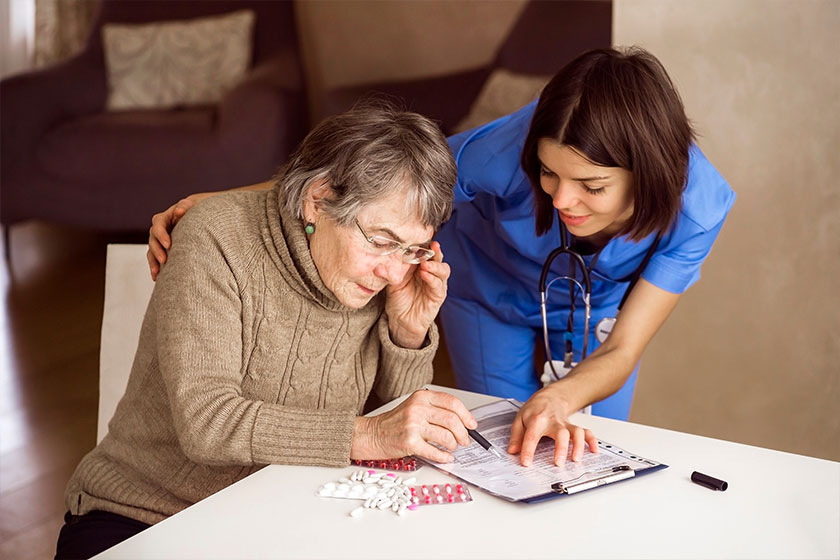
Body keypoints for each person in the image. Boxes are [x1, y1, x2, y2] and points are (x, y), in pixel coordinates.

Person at [147, 47, 734, 469]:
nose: (561, 199)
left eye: (591, 186)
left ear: (648, 173)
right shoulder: (499, 154)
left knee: (592, 449)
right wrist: (224, 204)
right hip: (489, 292)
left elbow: (622, 349)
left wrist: (559, 396)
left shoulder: (699, 207)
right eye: (549, 174)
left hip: (597, 311)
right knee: (503, 447)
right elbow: (362, 181)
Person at [56, 103, 478, 559]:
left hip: (287, 514)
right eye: (381, 241)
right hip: (147, 515)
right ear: (317, 199)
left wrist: (407, 334)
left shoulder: (379, 271)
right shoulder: (216, 239)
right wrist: (370, 435)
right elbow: (208, 424)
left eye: (413, 249)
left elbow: (394, 436)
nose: (395, 272)